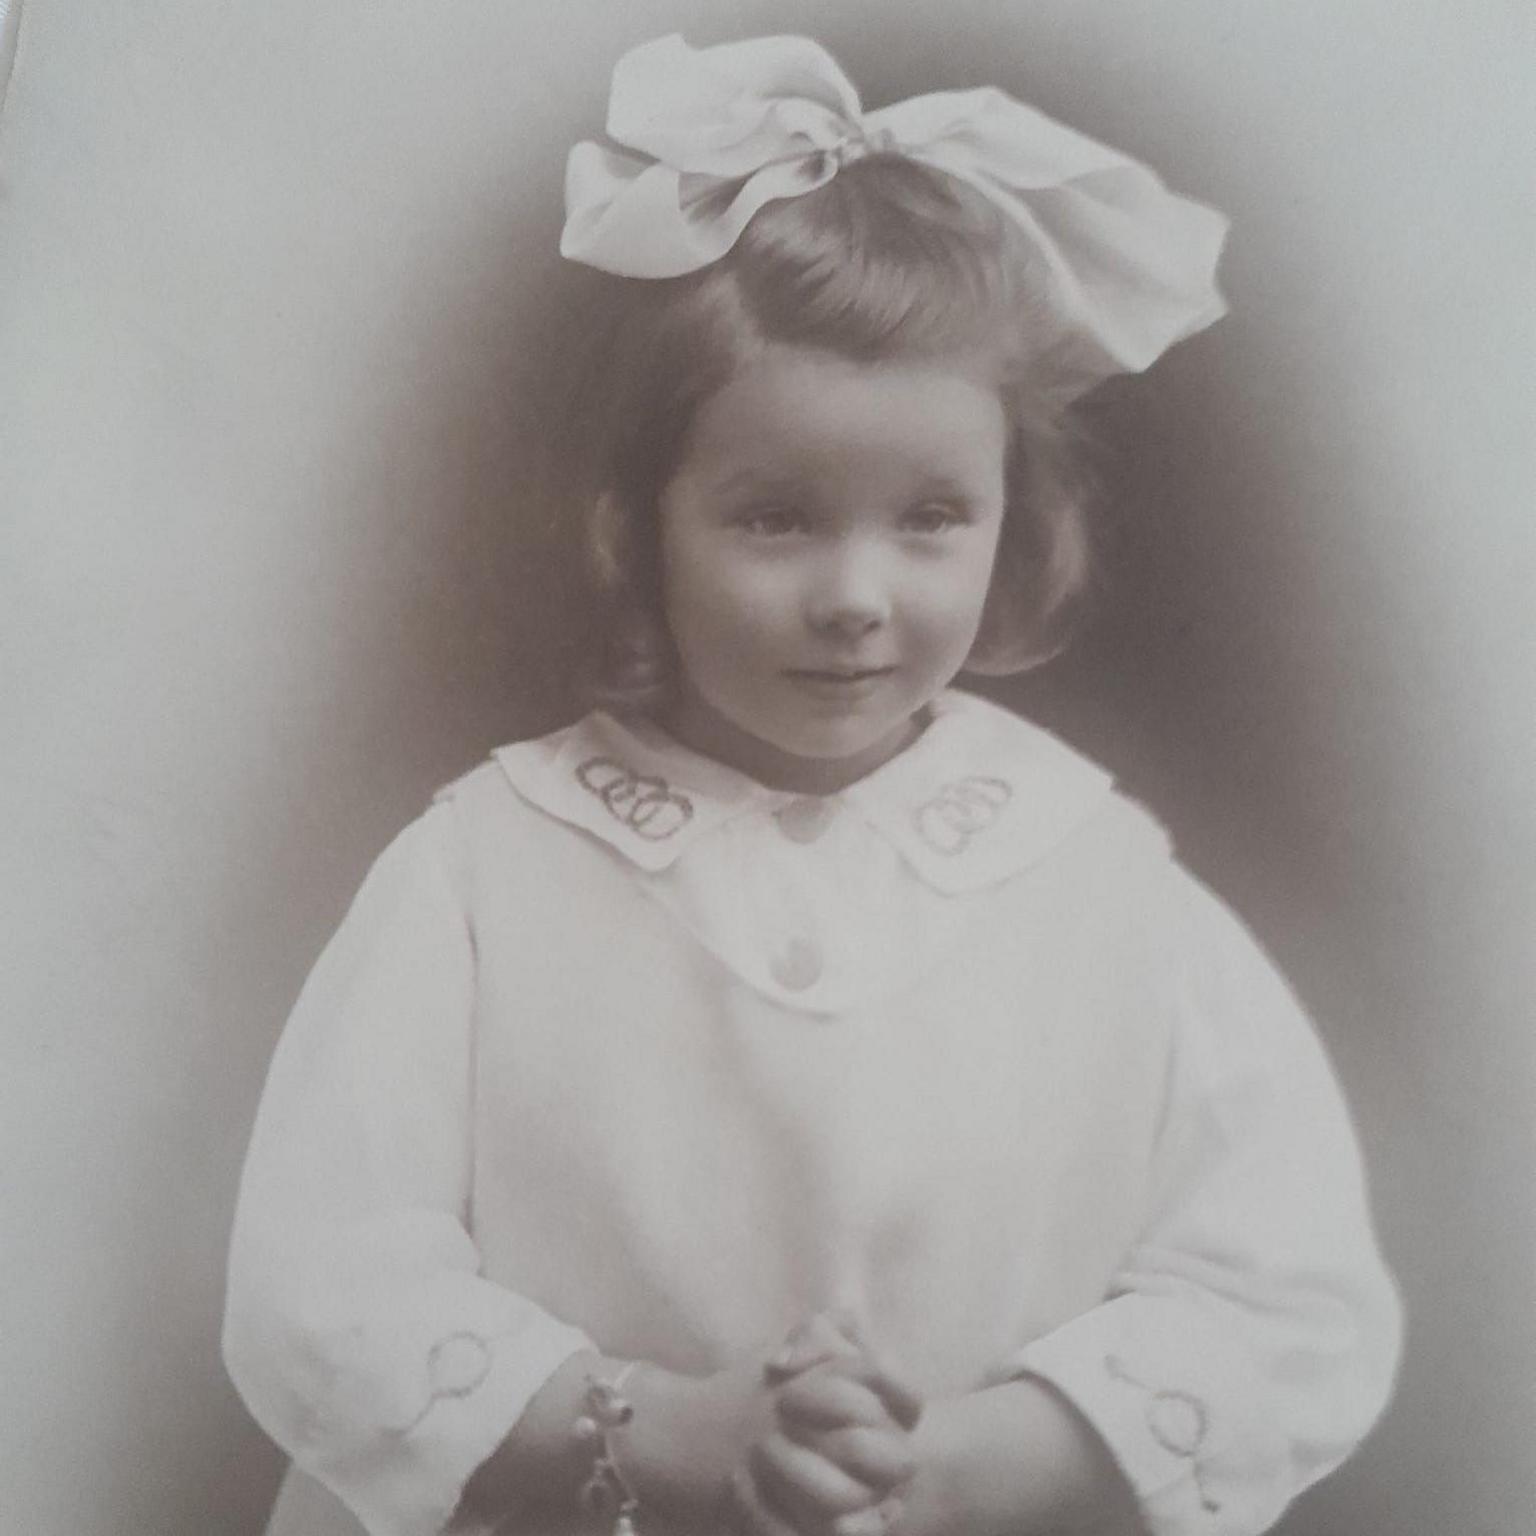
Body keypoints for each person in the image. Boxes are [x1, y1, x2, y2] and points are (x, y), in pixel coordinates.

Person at [222, 32, 1402, 1536]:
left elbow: (1286, 1291)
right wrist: (652, 1433)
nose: (857, 594)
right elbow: (320, 1279)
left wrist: (967, 1459)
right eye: (774, 519)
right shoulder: (484, 868)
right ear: (640, 527)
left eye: (928, 519)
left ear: (1011, 522)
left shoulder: (1101, 880)